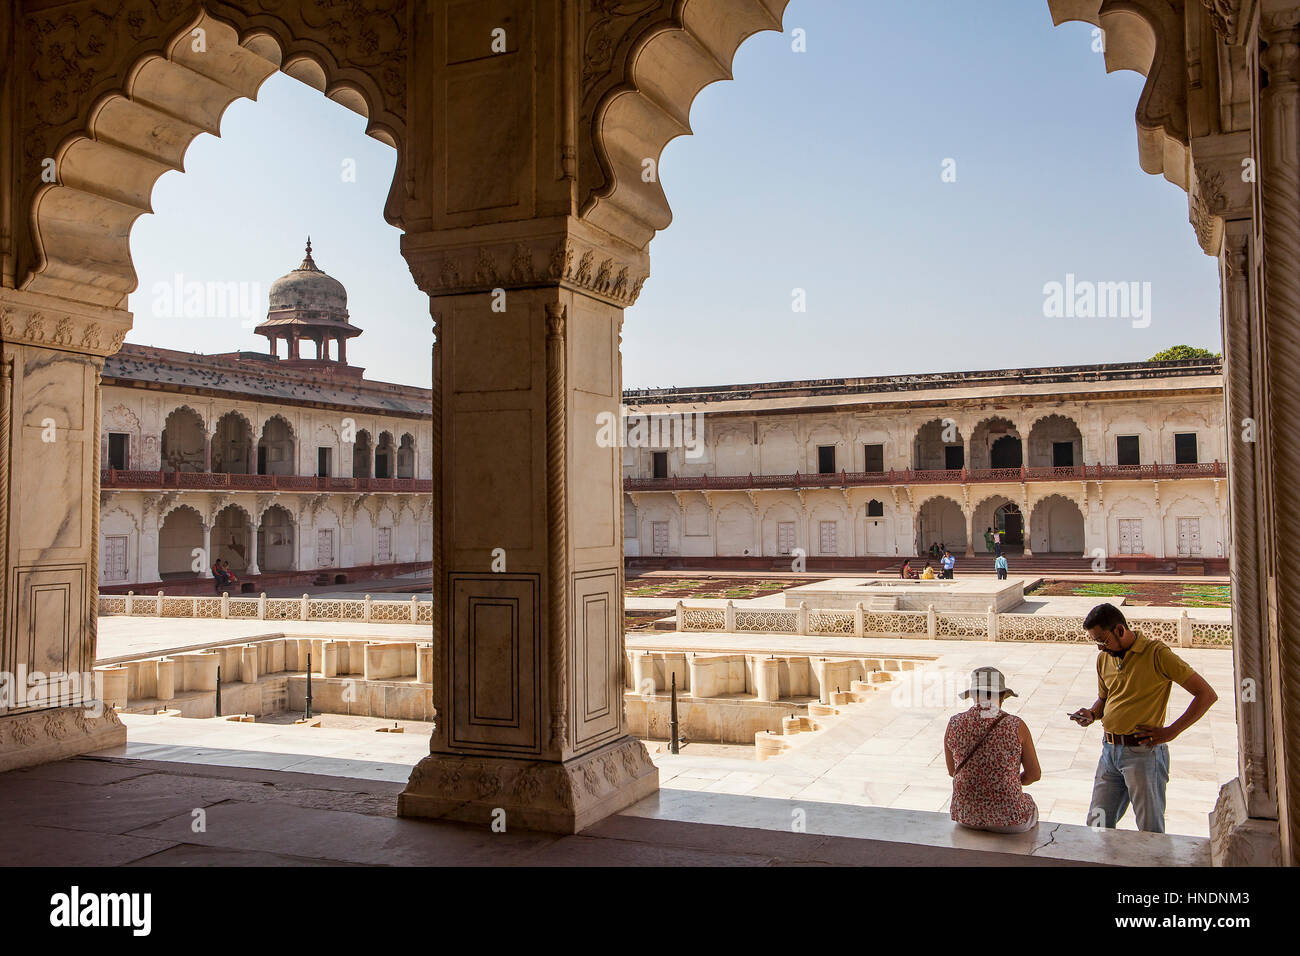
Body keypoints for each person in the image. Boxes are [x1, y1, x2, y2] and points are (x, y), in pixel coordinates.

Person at [1069, 603, 1219, 833]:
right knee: (1097, 825)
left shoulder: (1157, 654)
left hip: (1143, 754)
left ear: (1120, 630)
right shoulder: (1104, 659)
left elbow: (1206, 695)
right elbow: (1105, 698)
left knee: (1149, 829)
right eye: (1095, 641)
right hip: (1109, 751)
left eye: (1103, 640)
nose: (1100, 647)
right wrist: (1091, 714)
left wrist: (1171, 731)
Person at [945, 667, 1040, 834]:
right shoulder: (1016, 726)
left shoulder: (954, 724)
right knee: (1029, 803)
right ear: (1002, 696)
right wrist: (1006, 782)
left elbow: (953, 771)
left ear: (973, 695)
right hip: (1010, 819)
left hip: (966, 816)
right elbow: (1034, 774)